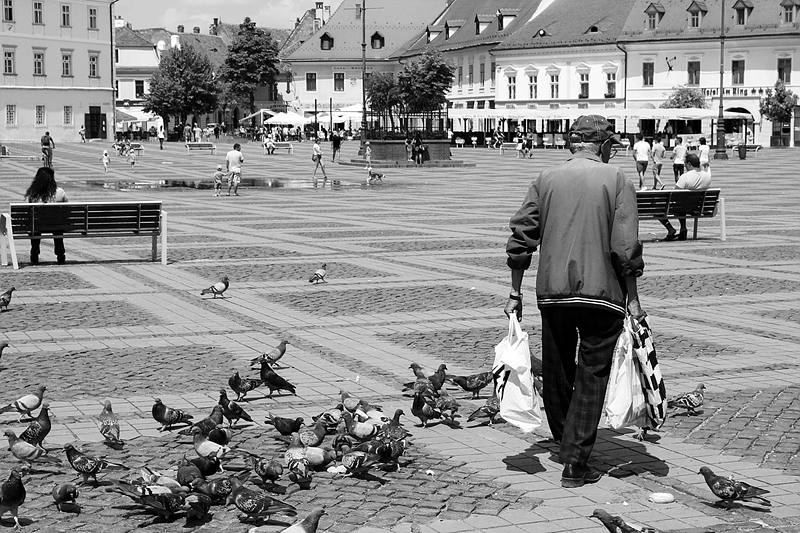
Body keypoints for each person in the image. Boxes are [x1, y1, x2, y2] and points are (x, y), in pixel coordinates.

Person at [504, 114, 645, 489]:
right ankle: (576, 460)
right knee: (593, 371)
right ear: (602, 145)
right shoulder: (617, 180)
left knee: (558, 367)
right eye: (611, 144)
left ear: (572, 144)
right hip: (603, 294)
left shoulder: (545, 179)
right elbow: (625, 248)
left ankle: (564, 436)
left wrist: (514, 292)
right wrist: (633, 299)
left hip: (552, 291)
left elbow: (521, 238)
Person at [659, 152, 711, 241]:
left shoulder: (685, 177)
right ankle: (683, 228)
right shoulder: (707, 176)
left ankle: (671, 229)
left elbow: (674, 194)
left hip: (683, 207)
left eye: (685, 164)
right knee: (683, 202)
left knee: (660, 207)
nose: (685, 167)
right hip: (698, 208)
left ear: (689, 164)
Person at [24, 167, 69, 265]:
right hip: (57, 226)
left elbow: (29, 211)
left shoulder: (33, 194)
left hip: (37, 226)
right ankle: (60, 253)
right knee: (58, 226)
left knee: (34, 225)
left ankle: (34, 252)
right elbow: (67, 208)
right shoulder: (59, 192)